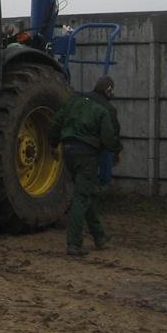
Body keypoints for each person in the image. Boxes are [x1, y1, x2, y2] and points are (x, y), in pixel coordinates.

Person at [49, 75, 122, 257]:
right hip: (87, 156)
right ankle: (74, 244)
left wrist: (52, 144)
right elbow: (108, 138)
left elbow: (56, 123)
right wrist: (116, 151)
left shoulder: (74, 101)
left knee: (85, 192)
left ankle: (99, 237)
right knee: (81, 197)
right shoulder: (106, 110)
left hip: (68, 152)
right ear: (109, 90)